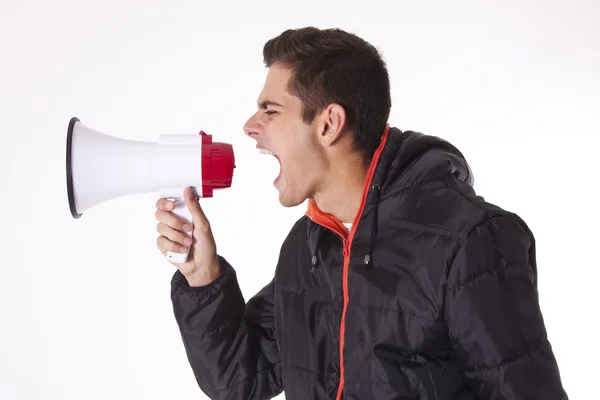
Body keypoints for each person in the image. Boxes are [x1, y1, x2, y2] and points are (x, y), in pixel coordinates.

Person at [154, 27, 568, 399]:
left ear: (329, 124)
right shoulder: (309, 246)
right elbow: (240, 380)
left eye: (271, 110)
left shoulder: (470, 240)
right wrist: (201, 277)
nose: (250, 125)